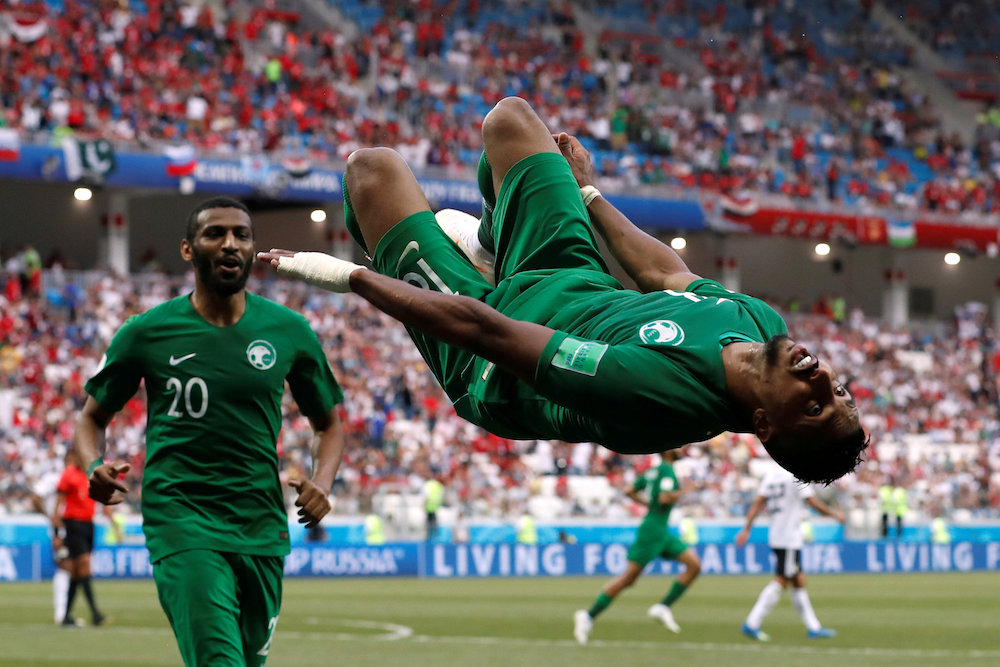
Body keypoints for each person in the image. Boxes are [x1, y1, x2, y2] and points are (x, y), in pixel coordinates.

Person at [259, 96, 867, 485]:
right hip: (568, 276)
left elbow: (488, 332)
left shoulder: (665, 399)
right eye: (837, 391)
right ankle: (499, 239)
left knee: (372, 170)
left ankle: (481, 254)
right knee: (512, 122)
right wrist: (590, 195)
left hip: (488, 360)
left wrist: (351, 277)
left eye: (813, 407)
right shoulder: (757, 322)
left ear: (763, 423)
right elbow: (664, 275)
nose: (819, 380)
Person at [75, 197, 347, 667]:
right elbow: (90, 419)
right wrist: (92, 467)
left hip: (261, 528)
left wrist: (323, 482)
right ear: (188, 249)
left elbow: (329, 425)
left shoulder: (289, 331)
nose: (230, 243)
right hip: (182, 522)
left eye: (241, 235)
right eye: (214, 233)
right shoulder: (147, 333)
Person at [573, 449, 701, 644]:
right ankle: (588, 616)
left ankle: (663, 607)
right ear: (668, 450)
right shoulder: (667, 470)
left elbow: (629, 491)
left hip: (661, 530)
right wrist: (686, 490)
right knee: (628, 578)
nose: (681, 447)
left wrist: (649, 505)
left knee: (694, 565)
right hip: (651, 533)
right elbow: (664, 498)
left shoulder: (653, 471)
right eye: (677, 445)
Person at [735, 464, 845, 641]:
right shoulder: (796, 475)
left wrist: (747, 529)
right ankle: (751, 623)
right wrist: (835, 514)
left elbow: (757, 504)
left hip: (777, 534)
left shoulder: (770, 476)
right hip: (789, 538)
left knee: (798, 580)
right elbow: (813, 502)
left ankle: (813, 627)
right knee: (782, 580)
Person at [52, 450, 110, 627]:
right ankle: (95, 614)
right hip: (73, 524)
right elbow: (58, 506)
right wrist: (56, 533)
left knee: (77, 572)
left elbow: (103, 500)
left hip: (88, 525)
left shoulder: (92, 475)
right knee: (84, 564)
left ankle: (67, 616)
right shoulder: (69, 475)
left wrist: (113, 522)